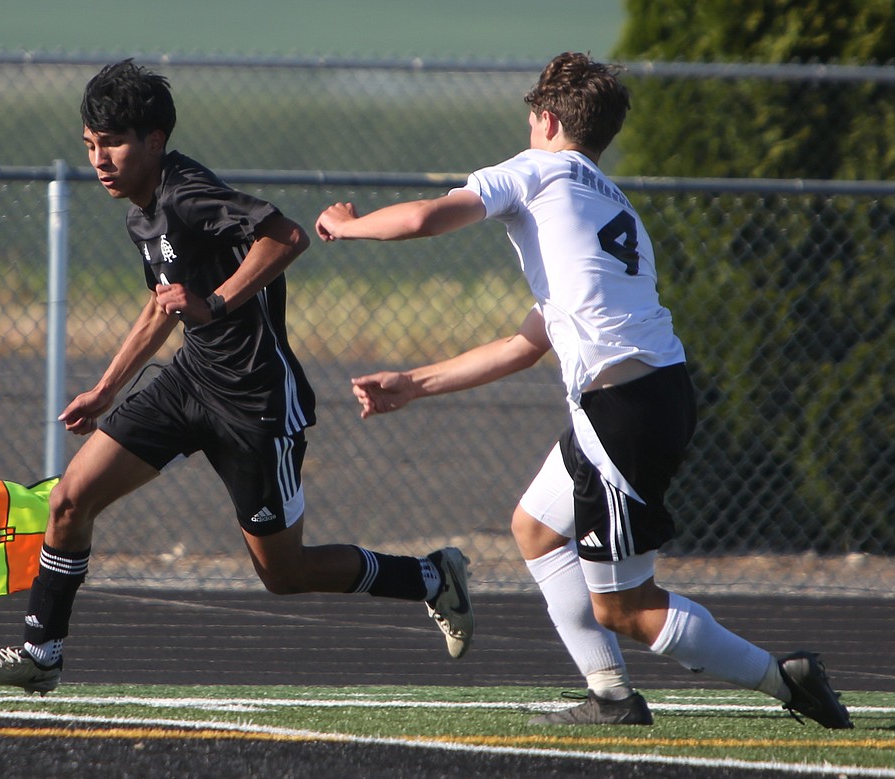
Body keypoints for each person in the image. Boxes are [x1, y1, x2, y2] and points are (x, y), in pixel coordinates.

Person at [314, 52, 852, 729]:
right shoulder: (607, 206)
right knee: (535, 528)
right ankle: (610, 694)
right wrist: (414, 384)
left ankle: (785, 678)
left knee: (626, 606)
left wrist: (344, 225)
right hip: (643, 397)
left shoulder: (535, 170)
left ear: (545, 119)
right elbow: (524, 344)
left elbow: (427, 216)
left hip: (622, 409)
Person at [0, 60, 473, 694]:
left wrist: (215, 304)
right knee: (70, 498)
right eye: (89, 145)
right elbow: (165, 303)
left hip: (255, 399)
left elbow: (286, 236)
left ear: (155, 142)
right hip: (189, 380)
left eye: (113, 143)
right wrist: (107, 389)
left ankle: (432, 578)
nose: (99, 159)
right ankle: (41, 652)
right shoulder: (141, 214)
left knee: (284, 572)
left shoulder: (186, 191)